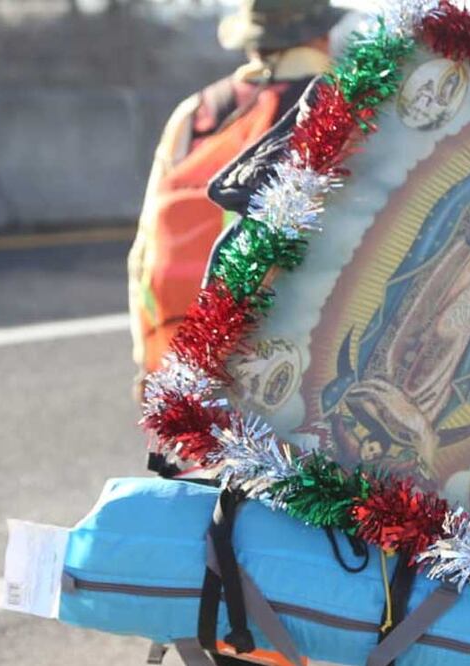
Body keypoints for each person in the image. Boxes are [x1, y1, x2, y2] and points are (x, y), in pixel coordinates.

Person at [127, 0, 343, 397]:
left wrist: (149, 364)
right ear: (322, 34)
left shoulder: (198, 113)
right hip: (302, 362)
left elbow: (143, 254)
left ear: (251, 41)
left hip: (193, 355)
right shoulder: (348, 107)